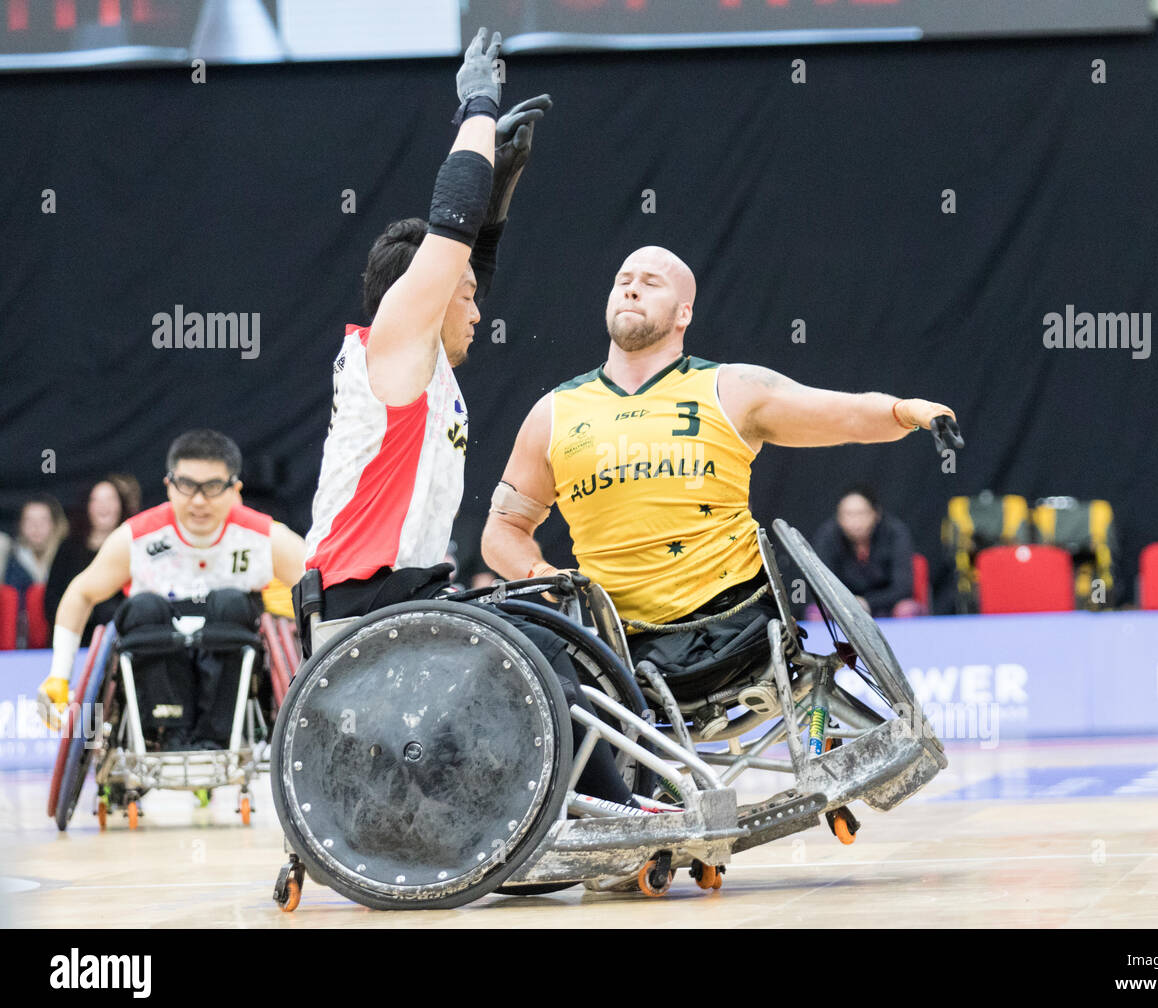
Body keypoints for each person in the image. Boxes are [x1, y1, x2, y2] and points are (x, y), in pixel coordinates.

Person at [299, 30, 644, 811]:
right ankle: (618, 814)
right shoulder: (391, 346)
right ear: (419, 296)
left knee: (558, 636)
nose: (480, 310)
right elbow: (451, 234)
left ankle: (603, 808)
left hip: (404, 597)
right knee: (541, 658)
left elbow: (470, 253)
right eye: (466, 299)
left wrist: (505, 186)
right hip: (363, 605)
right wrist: (477, 111)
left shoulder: (426, 369)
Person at [480, 245, 960, 735]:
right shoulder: (555, 412)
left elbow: (845, 413)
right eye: (623, 278)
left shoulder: (730, 388)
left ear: (683, 311)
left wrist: (910, 411)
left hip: (736, 626)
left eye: (651, 281)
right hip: (615, 645)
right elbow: (503, 530)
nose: (631, 287)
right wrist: (547, 577)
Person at [36, 430, 306, 750]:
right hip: (155, 657)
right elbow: (81, 593)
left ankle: (215, 737)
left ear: (235, 489)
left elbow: (318, 587)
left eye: (213, 487)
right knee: (143, 608)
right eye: (187, 485)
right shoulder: (136, 538)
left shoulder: (265, 536)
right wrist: (59, 674)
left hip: (233, 662)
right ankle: (167, 732)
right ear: (169, 485)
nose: (199, 500)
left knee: (231, 603)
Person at [43, 474, 142, 644]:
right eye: (96, 500)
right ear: (87, 506)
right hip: (75, 638)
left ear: (121, 505)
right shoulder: (69, 547)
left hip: (121, 640)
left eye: (110, 499)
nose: (104, 506)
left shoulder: (134, 546)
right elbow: (52, 598)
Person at [812, 485, 922, 618]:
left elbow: (903, 588)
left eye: (860, 513)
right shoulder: (827, 536)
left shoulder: (895, 533)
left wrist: (867, 603)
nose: (854, 522)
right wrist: (849, 603)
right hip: (842, 607)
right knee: (817, 612)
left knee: (907, 609)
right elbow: (822, 586)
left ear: (876, 514)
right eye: (847, 514)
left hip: (887, 605)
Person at [4, 496, 67, 595]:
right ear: (21, 525)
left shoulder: (66, 558)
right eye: (29, 520)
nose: (36, 527)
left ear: (54, 524)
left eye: (43, 520)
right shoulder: (12, 560)